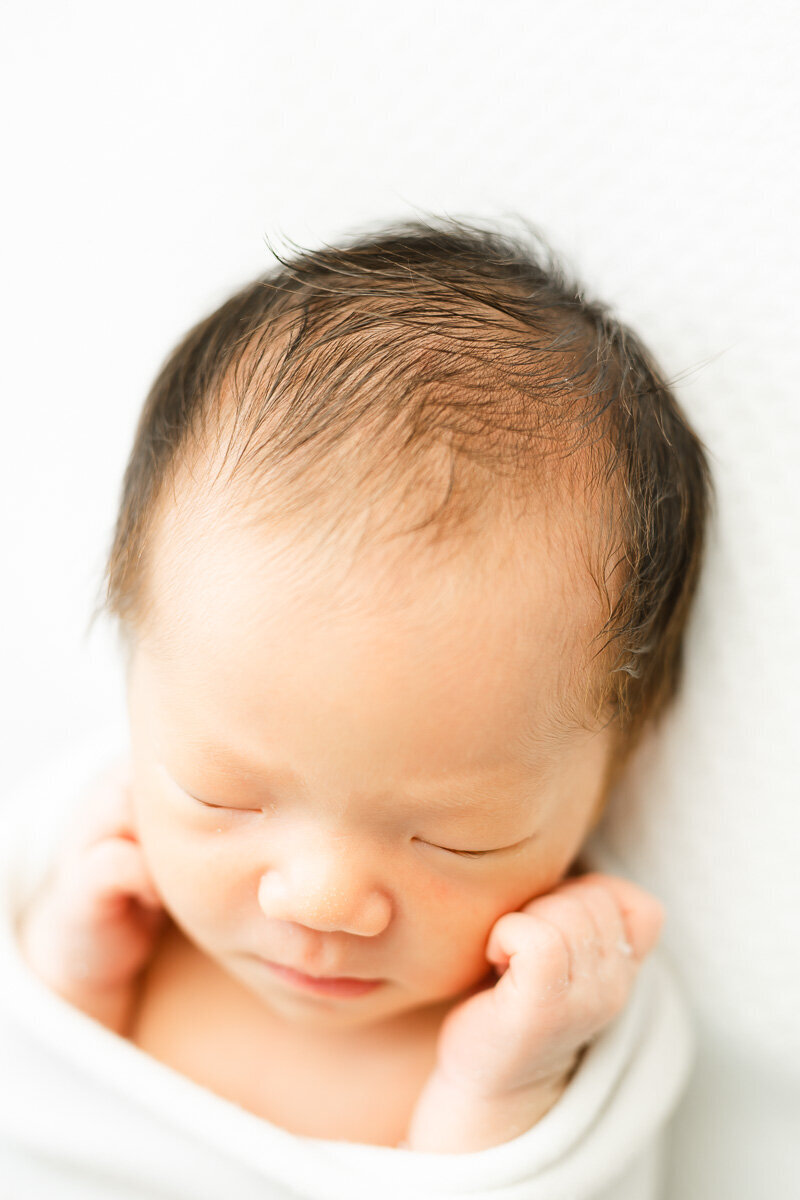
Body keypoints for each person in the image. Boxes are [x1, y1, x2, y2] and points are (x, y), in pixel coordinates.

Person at [1, 216, 712, 1197]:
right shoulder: (83, 877)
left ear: (618, 762)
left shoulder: (547, 1024)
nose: (322, 900)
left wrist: (497, 1093)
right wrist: (66, 978)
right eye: (221, 794)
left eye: (456, 838)